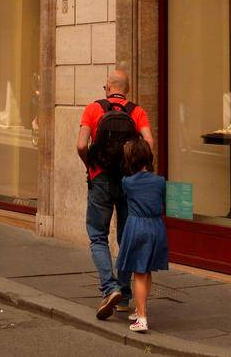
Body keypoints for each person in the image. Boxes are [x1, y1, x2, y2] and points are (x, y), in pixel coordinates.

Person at [76, 67, 154, 320]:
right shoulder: (137, 111)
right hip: (128, 180)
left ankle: (110, 288)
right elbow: (149, 143)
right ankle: (124, 294)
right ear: (126, 89)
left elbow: (80, 144)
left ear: (107, 87)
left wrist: (91, 165)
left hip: (100, 179)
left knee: (98, 236)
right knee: (125, 237)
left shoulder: (93, 109)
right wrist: (138, 169)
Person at [115, 138, 169, 334]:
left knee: (138, 273)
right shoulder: (160, 181)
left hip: (137, 226)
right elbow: (162, 202)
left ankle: (142, 318)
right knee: (147, 271)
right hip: (156, 226)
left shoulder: (127, 182)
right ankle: (140, 309)